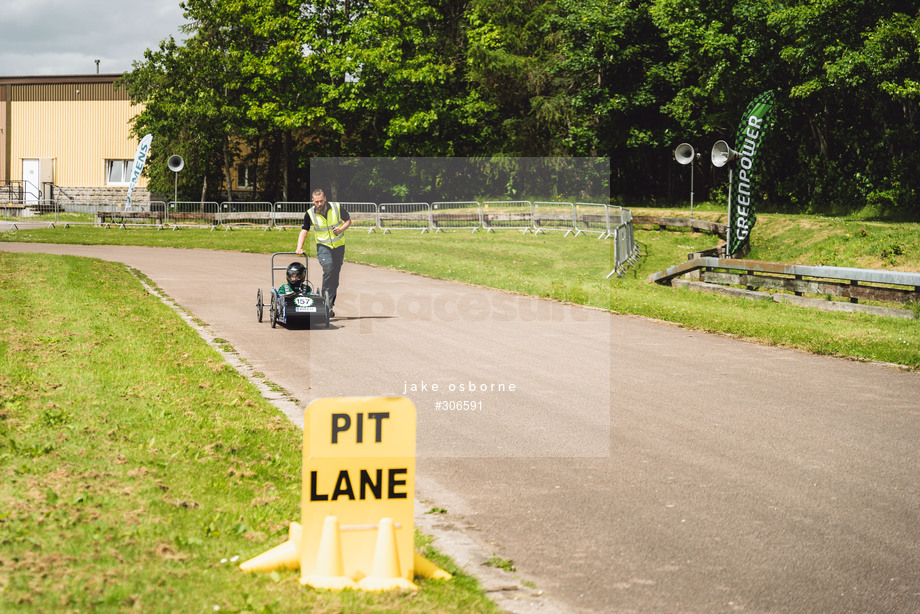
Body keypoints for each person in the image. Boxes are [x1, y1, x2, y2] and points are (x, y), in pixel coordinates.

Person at [295, 188, 351, 317]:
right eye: (316, 202)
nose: (319, 204)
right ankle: (323, 302)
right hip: (323, 247)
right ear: (313, 201)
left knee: (335, 277)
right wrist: (299, 247)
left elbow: (348, 220)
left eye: (321, 201)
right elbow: (304, 230)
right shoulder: (310, 213)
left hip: (338, 246)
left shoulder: (336, 207)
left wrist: (341, 229)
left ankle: (329, 306)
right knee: (328, 268)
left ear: (325, 198)